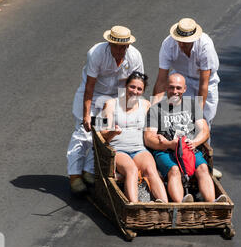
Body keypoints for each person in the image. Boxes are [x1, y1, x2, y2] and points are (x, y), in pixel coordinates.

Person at [67, 25, 144, 194]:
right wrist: (86, 114)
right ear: (109, 43)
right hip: (92, 96)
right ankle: (74, 176)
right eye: (116, 46)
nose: (120, 50)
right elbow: (90, 86)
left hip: (115, 98)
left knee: (105, 135)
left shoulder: (134, 57)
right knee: (84, 134)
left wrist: (127, 110)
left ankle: (89, 171)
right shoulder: (96, 53)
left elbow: (135, 85)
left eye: (123, 47)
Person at [152, 17, 222, 178]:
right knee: (176, 119)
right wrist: (153, 110)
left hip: (207, 83)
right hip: (181, 81)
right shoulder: (168, 44)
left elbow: (203, 84)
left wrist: (197, 114)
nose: (181, 44)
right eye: (179, 40)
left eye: (186, 41)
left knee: (203, 123)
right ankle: (178, 160)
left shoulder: (205, 45)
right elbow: (162, 79)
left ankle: (204, 164)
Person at [144, 73, 220, 203]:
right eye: (171, 87)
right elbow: (148, 138)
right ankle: (181, 205)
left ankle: (212, 204)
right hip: (166, 151)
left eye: (178, 88)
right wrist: (168, 144)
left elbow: (205, 130)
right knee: (174, 170)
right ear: (166, 88)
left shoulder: (192, 106)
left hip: (189, 148)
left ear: (184, 89)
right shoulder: (156, 110)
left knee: (202, 168)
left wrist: (195, 142)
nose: (175, 91)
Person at [100, 72, 168, 203]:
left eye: (139, 89)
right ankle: (134, 207)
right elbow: (102, 134)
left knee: (151, 170)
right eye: (132, 87)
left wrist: (158, 134)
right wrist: (113, 132)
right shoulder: (110, 104)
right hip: (118, 149)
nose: (135, 91)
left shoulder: (146, 105)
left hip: (139, 149)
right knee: (132, 170)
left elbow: (152, 127)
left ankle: (166, 207)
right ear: (125, 86)